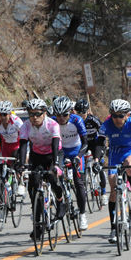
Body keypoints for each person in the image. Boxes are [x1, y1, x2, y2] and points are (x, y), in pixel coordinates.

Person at [95, 99, 131, 243]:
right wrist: (97, 161)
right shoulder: (107, 124)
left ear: (127, 115)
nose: (117, 119)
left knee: (130, 165)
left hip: (130, 151)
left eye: (120, 116)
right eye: (114, 115)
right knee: (114, 188)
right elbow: (99, 143)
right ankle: (113, 229)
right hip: (115, 153)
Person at [16, 98, 66, 240]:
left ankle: (60, 200)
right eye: (31, 114)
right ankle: (37, 226)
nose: (34, 117)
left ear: (44, 113)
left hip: (53, 153)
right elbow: (23, 145)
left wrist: (56, 164)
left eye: (37, 114)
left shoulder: (52, 124)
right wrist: (21, 165)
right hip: (37, 155)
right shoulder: (26, 126)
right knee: (34, 185)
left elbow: (56, 145)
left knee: (52, 176)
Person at [52, 96, 89, 230]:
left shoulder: (77, 120)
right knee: (54, 176)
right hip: (61, 151)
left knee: (79, 183)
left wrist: (79, 156)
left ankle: (83, 215)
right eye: (58, 115)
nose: (61, 118)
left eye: (65, 114)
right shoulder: (52, 122)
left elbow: (85, 142)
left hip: (76, 151)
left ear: (70, 112)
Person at [74, 98, 108, 205]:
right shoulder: (75, 121)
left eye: (83, 112)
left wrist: (104, 145)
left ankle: (103, 193)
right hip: (83, 144)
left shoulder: (93, 120)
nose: (81, 115)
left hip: (95, 143)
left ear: (87, 111)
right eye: (79, 113)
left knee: (99, 165)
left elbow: (103, 131)